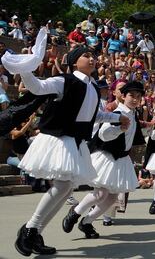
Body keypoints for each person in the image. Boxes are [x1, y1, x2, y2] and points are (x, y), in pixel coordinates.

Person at [4, 31, 128, 257]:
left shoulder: (91, 87)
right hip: (60, 140)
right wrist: (25, 67)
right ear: (73, 62)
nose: (91, 58)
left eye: (92, 55)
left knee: (66, 188)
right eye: (85, 55)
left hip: (76, 142)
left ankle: (36, 232)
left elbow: (95, 115)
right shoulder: (66, 81)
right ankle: (29, 229)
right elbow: (38, 88)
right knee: (62, 187)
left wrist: (117, 118)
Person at [62, 81, 147, 239]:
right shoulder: (118, 113)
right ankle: (75, 212)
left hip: (121, 158)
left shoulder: (134, 113)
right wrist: (119, 129)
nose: (135, 99)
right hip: (107, 157)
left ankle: (87, 222)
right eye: (131, 96)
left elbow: (133, 135)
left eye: (138, 96)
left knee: (113, 197)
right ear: (123, 96)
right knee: (101, 193)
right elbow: (103, 134)